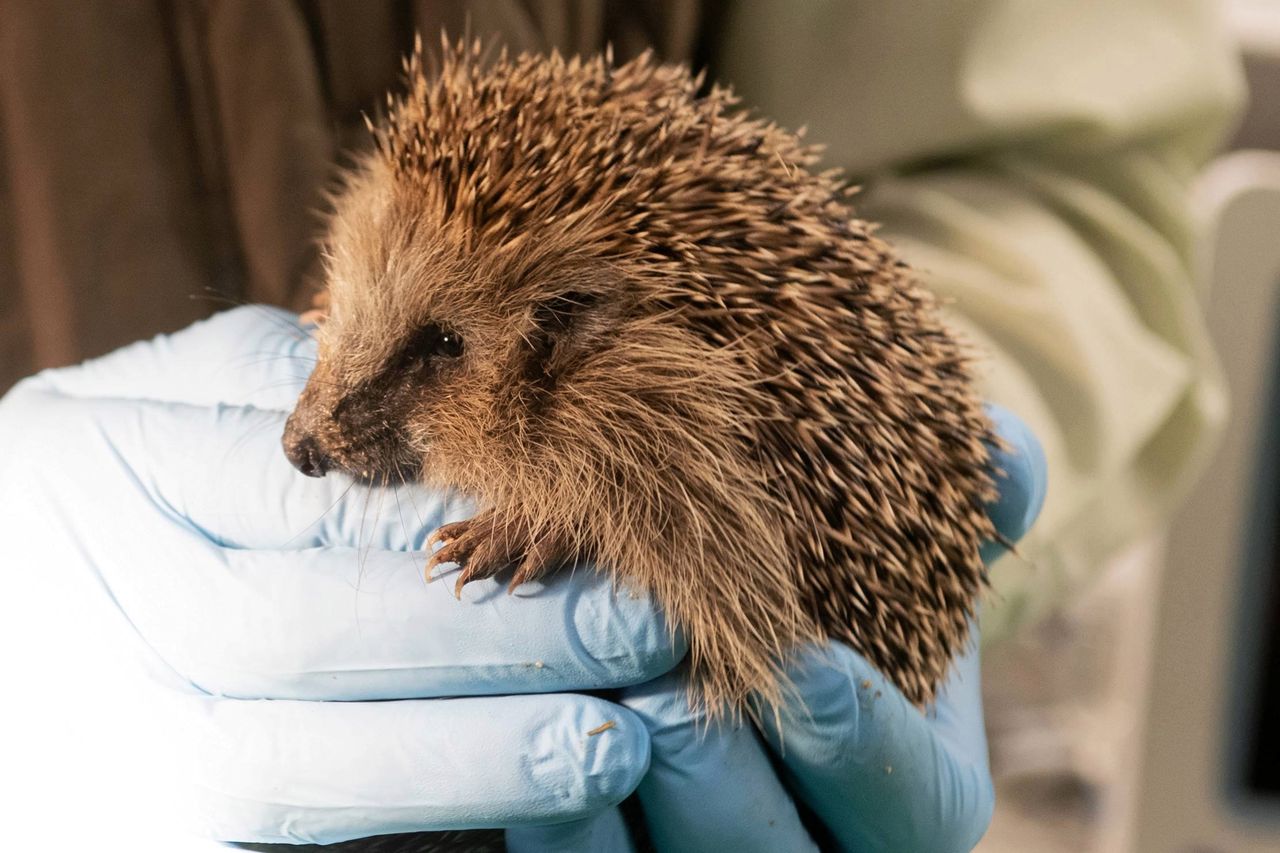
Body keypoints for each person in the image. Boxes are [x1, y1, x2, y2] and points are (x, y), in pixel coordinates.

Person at [0, 1, 1241, 850]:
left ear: (566, 333)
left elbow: (1040, 163)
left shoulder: (627, 403)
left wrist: (978, 395)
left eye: (432, 354)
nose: (314, 431)